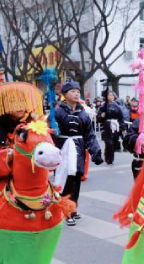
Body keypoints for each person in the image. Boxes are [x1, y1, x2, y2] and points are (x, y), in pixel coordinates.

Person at [54, 81, 103, 226]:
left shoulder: (83, 113)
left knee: (76, 179)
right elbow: (51, 133)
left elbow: (89, 134)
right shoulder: (57, 112)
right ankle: (65, 210)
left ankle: (73, 207)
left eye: (77, 91)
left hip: (78, 148)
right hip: (63, 148)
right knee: (66, 180)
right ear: (64, 95)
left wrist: (96, 151)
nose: (76, 93)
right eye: (72, 91)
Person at [98, 91, 124, 165]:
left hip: (115, 126)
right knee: (109, 143)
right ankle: (108, 159)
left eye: (112, 95)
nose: (111, 96)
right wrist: (101, 116)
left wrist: (122, 127)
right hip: (106, 126)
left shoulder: (117, 106)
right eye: (109, 95)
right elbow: (98, 117)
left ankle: (110, 158)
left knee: (112, 143)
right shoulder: (103, 106)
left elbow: (121, 117)